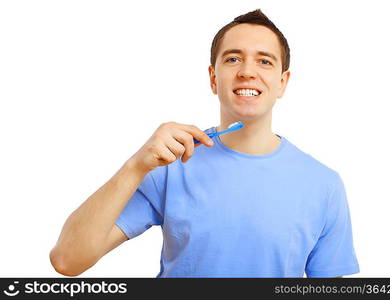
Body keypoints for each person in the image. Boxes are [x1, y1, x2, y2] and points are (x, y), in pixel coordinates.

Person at [50, 9, 359, 278]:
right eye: (233, 58)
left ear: (283, 82)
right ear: (213, 78)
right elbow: (67, 260)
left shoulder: (324, 185)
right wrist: (135, 166)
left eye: (264, 61)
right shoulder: (170, 165)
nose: (247, 72)